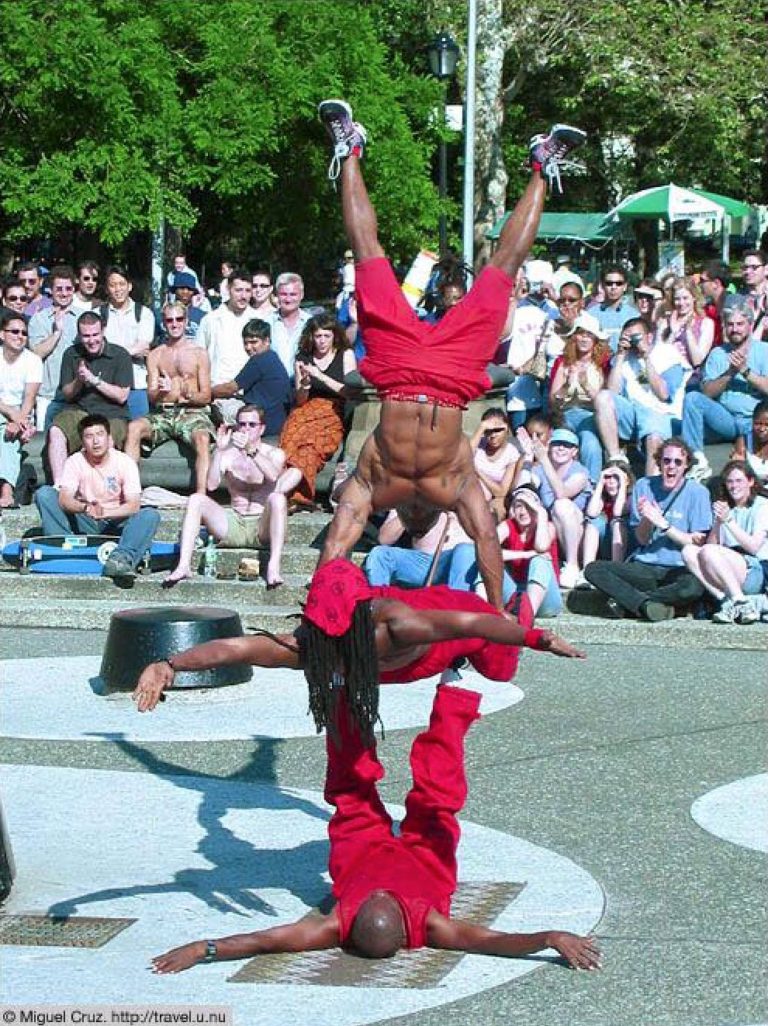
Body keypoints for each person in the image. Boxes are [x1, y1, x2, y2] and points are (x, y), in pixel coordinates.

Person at [315, 98, 586, 611]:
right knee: (503, 268)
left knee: (368, 255)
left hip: (397, 367)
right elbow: (484, 543)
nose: (413, 526)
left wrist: (502, 616)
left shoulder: (375, 482)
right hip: (456, 369)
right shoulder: (455, 485)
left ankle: (349, 149)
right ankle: (542, 167)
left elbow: (339, 542)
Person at [148, 680, 600, 974]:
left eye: (376, 900)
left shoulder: (335, 923)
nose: (382, 894)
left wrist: (202, 949)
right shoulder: (434, 925)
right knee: (437, 797)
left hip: (361, 851)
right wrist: (550, 937)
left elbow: (264, 941)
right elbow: (494, 941)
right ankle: (455, 691)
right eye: (386, 902)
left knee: (350, 792)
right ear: (405, 932)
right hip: (426, 856)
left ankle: (344, 693)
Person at [135, 558, 585, 719]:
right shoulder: (311, 643)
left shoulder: (398, 626)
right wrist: (170, 665)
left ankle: (522, 599)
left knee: (496, 667)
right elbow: (238, 648)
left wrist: (537, 636)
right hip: (414, 634)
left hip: (456, 619)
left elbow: (473, 625)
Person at [584, 436, 712, 620]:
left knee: (692, 587)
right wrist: (647, 520)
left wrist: (664, 525)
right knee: (593, 570)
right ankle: (650, 606)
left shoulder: (698, 493)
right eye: (666, 460)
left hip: (679, 568)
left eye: (678, 462)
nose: (671, 466)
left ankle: (629, 603)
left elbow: (696, 541)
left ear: (686, 466)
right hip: (646, 566)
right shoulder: (644, 486)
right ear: (659, 462)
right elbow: (642, 539)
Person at [162, 404, 287, 589]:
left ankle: (273, 566)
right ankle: (184, 565)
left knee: (278, 499)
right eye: (242, 424)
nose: (246, 429)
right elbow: (211, 485)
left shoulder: (274, 453)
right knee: (196, 499)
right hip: (233, 523)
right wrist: (219, 452)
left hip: (262, 525)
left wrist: (251, 450)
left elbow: (274, 476)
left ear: (262, 428)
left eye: (252, 425)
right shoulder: (228, 455)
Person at [34, 413, 160, 586]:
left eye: (100, 435)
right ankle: (61, 550)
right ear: (83, 442)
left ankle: (120, 559)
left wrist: (107, 512)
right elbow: (64, 499)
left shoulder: (125, 462)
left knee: (149, 515)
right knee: (45, 494)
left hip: (116, 520)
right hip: (86, 518)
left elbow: (133, 504)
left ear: (109, 438)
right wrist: (85, 508)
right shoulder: (75, 461)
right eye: (89, 436)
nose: (95, 441)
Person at [124, 302, 213, 494]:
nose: (174, 324)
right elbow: (151, 394)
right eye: (169, 320)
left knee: (202, 438)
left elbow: (206, 395)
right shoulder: (156, 354)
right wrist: (162, 392)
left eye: (179, 319)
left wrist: (187, 395)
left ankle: (201, 496)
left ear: (186, 321)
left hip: (191, 411)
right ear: (163, 323)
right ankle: (130, 492)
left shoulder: (199, 353)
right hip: (163, 412)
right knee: (134, 427)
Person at [276, 313, 356, 514]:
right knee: (291, 443)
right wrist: (304, 384)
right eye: (318, 336)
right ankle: (283, 495)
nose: (321, 341)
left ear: (334, 336)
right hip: (305, 409)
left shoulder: (345, 354)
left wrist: (321, 376)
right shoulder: (303, 358)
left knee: (310, 449)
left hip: (331, 410)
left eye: (326, 336)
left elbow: (350, 391)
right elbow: (301, 400)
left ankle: (296, 496)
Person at [593, 317, 689, 476]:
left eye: (636, 337)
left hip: (661, 413)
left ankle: (651, 486)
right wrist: (621, 356)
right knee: (602, 397)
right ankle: (616, 458)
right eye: (628, 338)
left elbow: (664, 394)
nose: (633, 343)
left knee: (654, 437)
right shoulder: (622, 359)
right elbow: (612, 392)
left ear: (649, 337)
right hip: (634, 414)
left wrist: (646, 358)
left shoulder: (667, 353)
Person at [682, 304, 768, 482]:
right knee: (692, 399)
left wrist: (745, 371)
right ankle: (696, 460)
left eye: (739, 324)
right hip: (725, 419)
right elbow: (707, 392)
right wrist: (730, 373)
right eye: (730, 324)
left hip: (755, 420)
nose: (734, 329)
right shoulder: (717, 354)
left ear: (750, 325)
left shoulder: (764, 351)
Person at [46, 311, 133, 484]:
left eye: (95, 334)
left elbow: (122, 396)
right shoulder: (71, 354)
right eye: (86, 336)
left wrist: (94, 380)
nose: (91, 340)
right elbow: (68, 394)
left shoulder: (120, 355)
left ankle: (105, 487)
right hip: (79, 410)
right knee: (56, 431)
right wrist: (79, 379)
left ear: (103, 331)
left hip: (112, 413)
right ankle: (60, 485)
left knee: (104, 439)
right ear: (79, 335)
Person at [681, 460, 767, 624]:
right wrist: (719, 522)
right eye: (730, 481)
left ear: (750, 481)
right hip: (729, 570)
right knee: (688, 551)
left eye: (739, 481)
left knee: (708, 551)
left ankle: (741, 602)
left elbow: (754, 547)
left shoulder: (763, 506)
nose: (734, 486)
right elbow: (712, 545)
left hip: (755, 569)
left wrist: (729, 521)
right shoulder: (727, 508)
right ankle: (730, 602)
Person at [526, 426, 591, 590]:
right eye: (557, 444)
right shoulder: (539, 469)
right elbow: (523, 486)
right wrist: (527, 457)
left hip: (579, 535)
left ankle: (572, 565)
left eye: (567, 445)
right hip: (552, 531)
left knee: (561, 505)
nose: (561, 448)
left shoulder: (580, 472)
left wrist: (544, 460)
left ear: (574, 451)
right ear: (549, 446)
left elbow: (562, 493)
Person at [548, 311, 609, 484]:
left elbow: (603, 400)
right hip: (565, 415)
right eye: (581, 333)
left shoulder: (599, 366)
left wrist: (584, 383)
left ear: (595, 340)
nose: (584, 339)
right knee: (561, 442)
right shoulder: (564, 363)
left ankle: (591, 488)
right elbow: (553, 400)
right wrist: (567, 385)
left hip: (589, 415)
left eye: (589, 335)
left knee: (590, 444)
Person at [210, 318, 292, 437]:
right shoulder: (272, 357)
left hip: (262, 423)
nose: (248, 347)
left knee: (218, 404)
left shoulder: (259, 360)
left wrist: (208, 392)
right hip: (276, 421)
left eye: (254, 342)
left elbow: (230, 388)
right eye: (246, 343)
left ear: (267, 341)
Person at [196, 267, 255, 419]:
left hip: (250, 396)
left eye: (248, 290)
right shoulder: (211, 320)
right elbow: (198, 358)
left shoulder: (259, 320)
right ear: (229, 289)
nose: (243, 296)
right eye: (238, 290)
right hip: (218, 395)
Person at [27, 264, 80, 429]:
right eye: (59, 289)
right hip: (47, 395)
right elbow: (36, 353)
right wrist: (56, 333)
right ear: (50, 290)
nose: (64, 293)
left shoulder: (84, 317)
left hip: (77, 395)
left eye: (68, 288)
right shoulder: (39, 319)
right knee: (44, 444)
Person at [101, 265, 156, 420]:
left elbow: (144, 346)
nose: (117, 289)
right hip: (108, 386)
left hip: (136, 386)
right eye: (112, 285)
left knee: (138, 435)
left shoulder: (144, 314)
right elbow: (96, 349)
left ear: (129, 286)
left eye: (121, 284)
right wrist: (131, 351)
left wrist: (110, 352)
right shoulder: (99, 314)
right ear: (107, 289)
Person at [0, 312, 41, 507]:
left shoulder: (33, 361)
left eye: (24, 333)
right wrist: (11, 414)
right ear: (2, 334)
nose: (20, 336)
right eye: (14, 331)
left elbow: (29, 398)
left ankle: (7, 490)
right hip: (5, 409)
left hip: (21, 412)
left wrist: (19, 421)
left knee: (7, 432)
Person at [579, 460, 634, 582]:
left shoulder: (631, 497)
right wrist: (600, 484)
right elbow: (592, 512)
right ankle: (586, 571)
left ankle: (617, 572)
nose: (611, 482)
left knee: (618, 522)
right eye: (608, 477)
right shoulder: (601, 498)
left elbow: (618, 512)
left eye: (616, 477)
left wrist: (623, 484)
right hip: (607, 545)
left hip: (626, 547)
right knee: (593, 522)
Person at [653, 277, 714, 377]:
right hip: (666, 375)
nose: (681, 303)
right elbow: (658, 357)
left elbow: (698, 361)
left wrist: (688, 331)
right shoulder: (665, 322)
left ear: (694, 297)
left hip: (692, 379)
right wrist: (673, 333)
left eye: (685, 298)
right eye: (677, 299)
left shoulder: (706, 323)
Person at [469, 407, 520, 522]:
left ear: (506, 429)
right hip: (474, 493)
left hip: (497, 497)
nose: (492, 436)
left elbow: (501, 491)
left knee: (497, 511)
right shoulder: (479, 445)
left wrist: (477, 471)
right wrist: (481, 428)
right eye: (488, 431)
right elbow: (465, 456)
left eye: (497, 430)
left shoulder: (511, 453)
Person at [268, 272, 312, 377]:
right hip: (274, 384)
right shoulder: (267, 323)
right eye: (283, 294)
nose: (288, 299)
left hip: (303, 385)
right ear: (277, 295)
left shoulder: (311, 323)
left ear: (301, 295)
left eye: (293, 294)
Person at [586, 266, 639, 352]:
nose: (613, 287)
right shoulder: (591, 314)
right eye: (609, 283)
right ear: (603, 286)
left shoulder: (634, 315)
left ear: (625, 286)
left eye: (618, 283)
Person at [167, 272, 206, 341]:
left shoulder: (203, 317)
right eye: (181, 288)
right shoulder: (162, 315)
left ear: (194, 292)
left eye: (189, 289)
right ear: (175, 290)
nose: (185, 292)